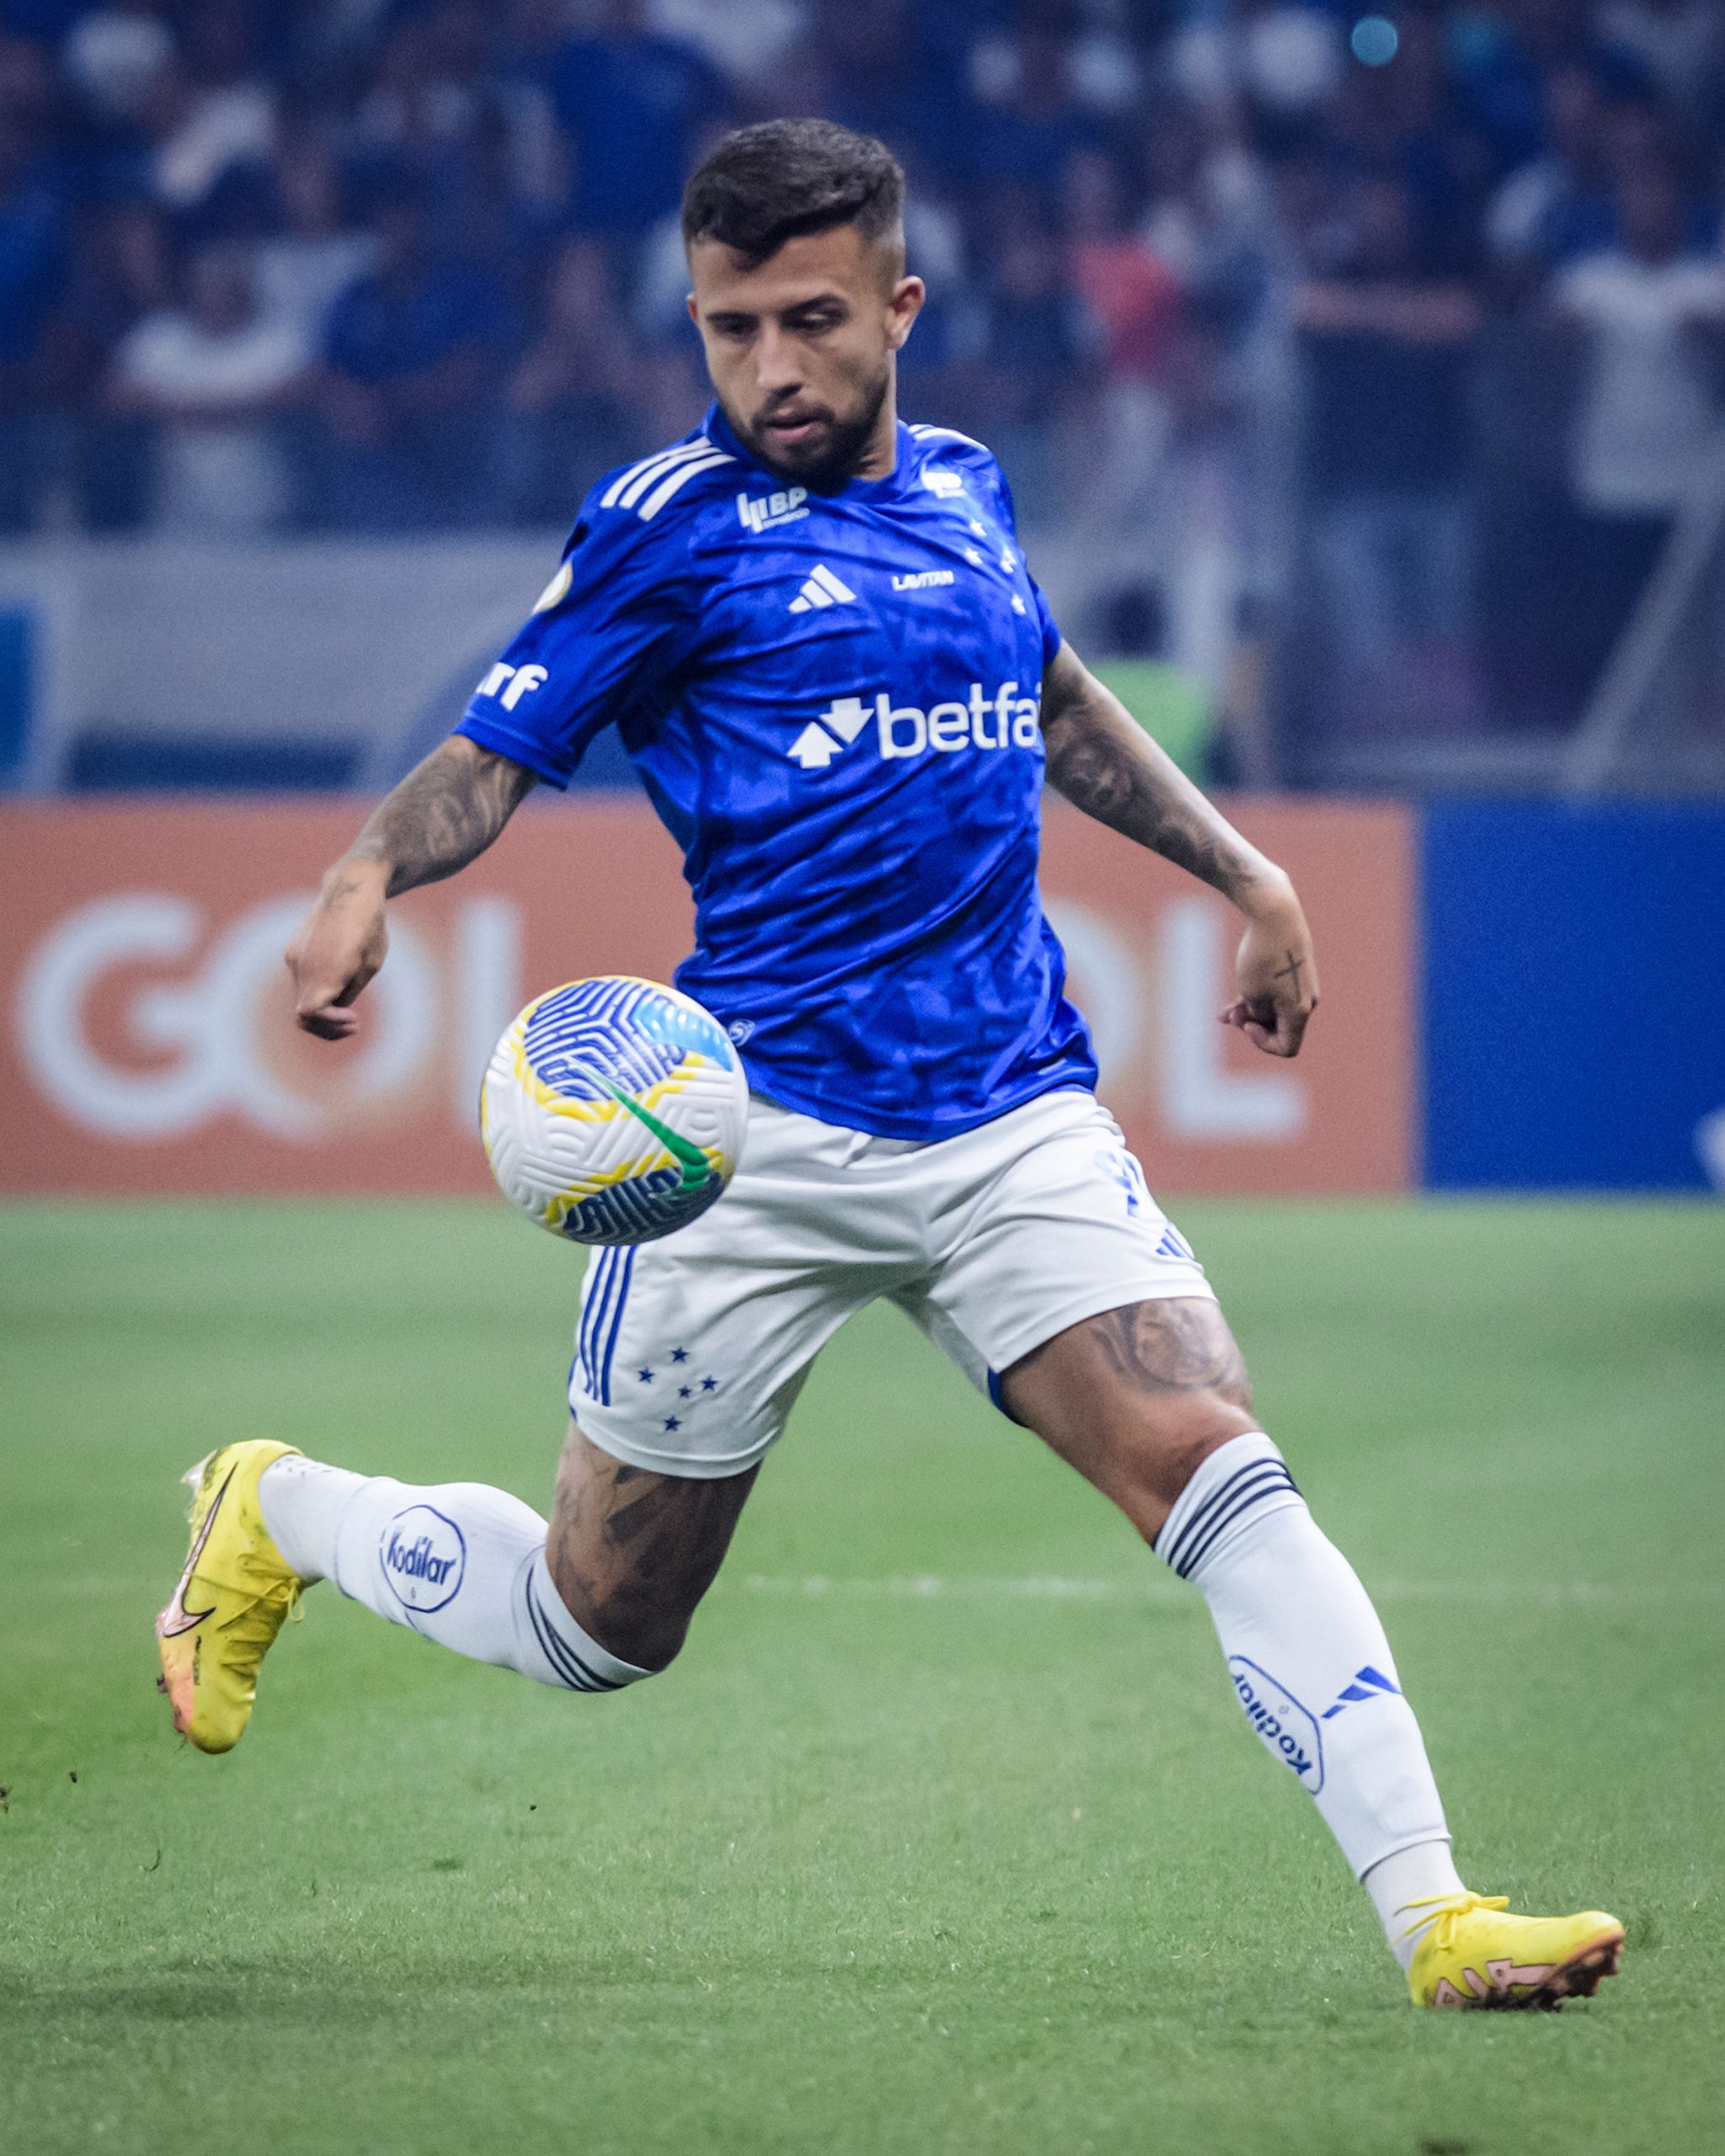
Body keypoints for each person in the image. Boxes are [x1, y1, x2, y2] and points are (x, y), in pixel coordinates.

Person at [157, 120, 1622, 2015]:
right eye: (729, 327)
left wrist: (1247, 870)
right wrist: (367, 868)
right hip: (741, 1140)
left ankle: (1435, 1914)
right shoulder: (665, 529)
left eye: (812, 320)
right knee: (598, 1626)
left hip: (1011, 1109)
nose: (770, 367)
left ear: (902, 308)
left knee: (1216, 1461)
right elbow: (492, 752)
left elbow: (1060, 702)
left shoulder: (972, 491)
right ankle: (276, 1509)